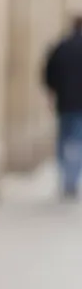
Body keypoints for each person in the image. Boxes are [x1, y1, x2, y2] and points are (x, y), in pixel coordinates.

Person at [44, 16, 82, 199]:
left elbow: (48, 71)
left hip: (64, 102)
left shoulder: (62, 47)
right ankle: (71, 181)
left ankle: (64, 176)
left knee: (63, 140)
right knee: (77, 141)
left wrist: (53, 91)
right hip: (80, 105)